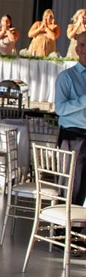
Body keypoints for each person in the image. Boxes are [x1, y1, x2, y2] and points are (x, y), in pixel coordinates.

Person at [54, 31, 86, 205]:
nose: (85, 48)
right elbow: (60, 108)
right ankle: (64, 230)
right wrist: (84, 101)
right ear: (77, 49)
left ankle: (80, 229)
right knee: (72, 186)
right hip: (73, 137)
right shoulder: (66, 77)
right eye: (82, 44)